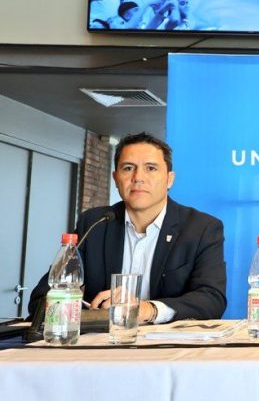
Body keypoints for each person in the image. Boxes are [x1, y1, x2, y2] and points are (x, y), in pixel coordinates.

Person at [29, 132, 227, 323]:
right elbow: (44, 296)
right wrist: (85, 313)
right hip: (101, 341)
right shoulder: (94, 223)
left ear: (169, 179)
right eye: (128, 168)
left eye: (151, 168)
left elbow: (211, 300)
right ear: (116, 178)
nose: (138, 177)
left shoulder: (201, 228)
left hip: (168, 343)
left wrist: (149, 310)